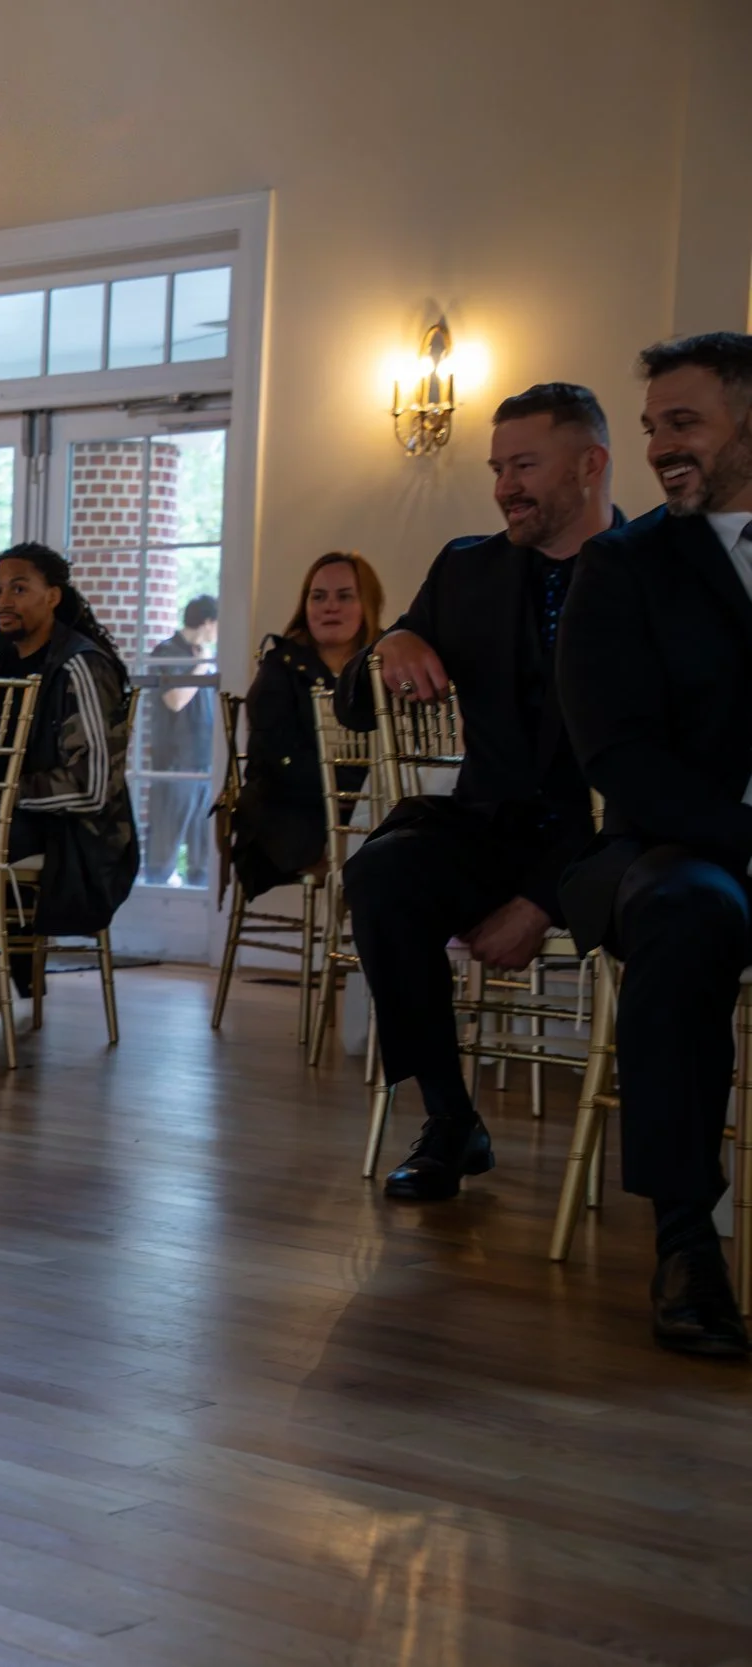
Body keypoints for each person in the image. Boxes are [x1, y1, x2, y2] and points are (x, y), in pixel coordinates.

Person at [337, 383, 611, 1203]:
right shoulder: (467, 567)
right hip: (491, 819)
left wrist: (540, 900)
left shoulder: (653, 568)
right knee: (382, 871)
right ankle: (451, 1119)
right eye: (498, 468)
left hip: (611, 837)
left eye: (525, 465)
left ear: (592, 464)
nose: (504, 488)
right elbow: (357, 701)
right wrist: (392, 638)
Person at [559, 333, 752, 1359]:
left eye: (684, 423)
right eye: (649, 429)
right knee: (685, 914)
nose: (659, 448)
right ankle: (685, 1241)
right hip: (684, 843)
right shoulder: (622, 567)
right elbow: (618, 755)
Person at [0, 543, 138, 940]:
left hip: (73, 840)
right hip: (14, 823)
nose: (2, 602)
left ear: (52, 597)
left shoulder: (80, 666)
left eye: (18, 589)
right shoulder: (4, 665)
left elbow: (92, 788)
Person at [228, 553, 383, 898]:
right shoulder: (279, 667)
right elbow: (277, 758)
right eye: (318, 597)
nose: (330, 607)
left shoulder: (384, 665)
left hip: (371, 811)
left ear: (366, 604)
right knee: (382, 855)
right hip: (290, 817)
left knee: (412, 843)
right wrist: (350, 794)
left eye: (344, 596)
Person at [140, 595, 219, 886]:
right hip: (175, 763)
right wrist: (200, 667)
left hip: (205, 763)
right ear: (208, 622)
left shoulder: (204, 655)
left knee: (203, 854)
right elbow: (174, 700)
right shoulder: (166, 652)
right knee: (164, 846)